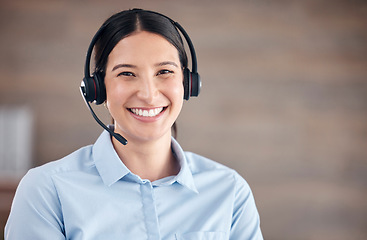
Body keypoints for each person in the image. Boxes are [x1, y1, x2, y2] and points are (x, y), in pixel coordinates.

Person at [5, 9, 263, 240]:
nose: (149, 94)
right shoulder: (46, 191)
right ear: (97, 88)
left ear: (187, 83)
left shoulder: (229, 190)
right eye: (126, 74)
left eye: (164, 72)